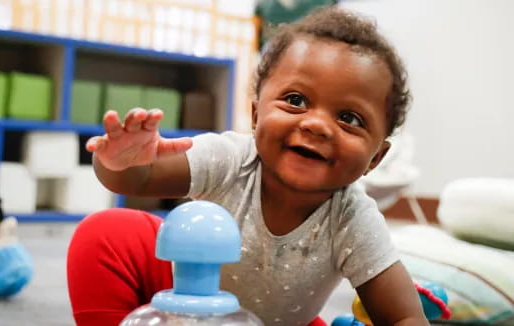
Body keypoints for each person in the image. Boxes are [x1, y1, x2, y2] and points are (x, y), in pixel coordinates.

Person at [67, 5, 428, 326]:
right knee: (105, 233)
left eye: (349, 118)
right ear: (255, 115)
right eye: (296, 100)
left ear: (375, 158)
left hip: (279, 321)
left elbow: (402, 315)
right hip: (176, 291)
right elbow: (138, 180)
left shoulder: (353, 218)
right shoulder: (230, 158)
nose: (316, 124)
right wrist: (122, 162)